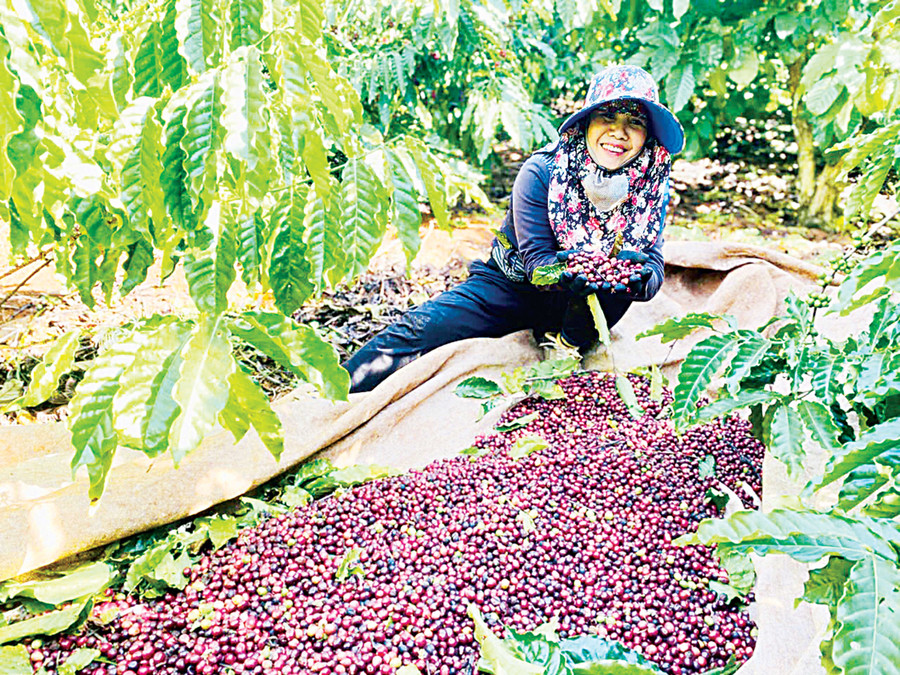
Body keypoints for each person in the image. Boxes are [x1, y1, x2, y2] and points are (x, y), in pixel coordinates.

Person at [343, 64, 684, 393]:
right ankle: (333, 393)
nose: (619, 132)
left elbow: (652, 261)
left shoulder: (650, 180)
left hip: (589, 305)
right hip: (508, 288)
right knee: (420, 330)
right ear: (586, 123)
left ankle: (568, 346)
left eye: (634, 122)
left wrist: (640, 281)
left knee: (615, 282)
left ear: (646, 136)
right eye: (608, 116)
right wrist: (571, 270)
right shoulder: (543, 172)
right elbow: (538, 265)